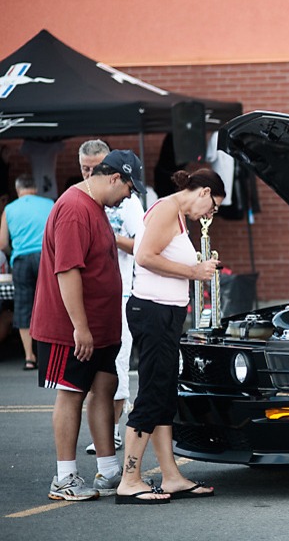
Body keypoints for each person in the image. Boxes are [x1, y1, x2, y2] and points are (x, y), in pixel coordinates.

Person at [30, 150, 144, 501]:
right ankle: (64, 477)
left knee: (105, 386)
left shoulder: (93, 206)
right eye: (128, 188)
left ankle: (109, 471)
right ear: (113, 178)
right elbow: (67, 270)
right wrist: (80, 326)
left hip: (99, 325)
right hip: (73, 328)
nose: (128, 196)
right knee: (72, 393)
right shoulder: (75, 209)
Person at [115, 168, 223, 504]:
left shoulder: (176, 214)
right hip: (153, 312)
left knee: (163, 394)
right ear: (203, 192)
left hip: (164, 314)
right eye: (213, 207)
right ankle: (130, 479)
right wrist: (194, 271)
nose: (210, 215)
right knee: (152, 393)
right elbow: (145, 256)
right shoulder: (166, 209)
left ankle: (171, 476)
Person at [78, 140, 145, 455]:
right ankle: (107, 430)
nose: (90, 173)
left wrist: (108, 235)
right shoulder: (80, 200)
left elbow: (142, 245)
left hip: (123, 292)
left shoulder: (127, 200)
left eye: (95, 168)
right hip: (91, 294)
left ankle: (113, 432)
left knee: (117, 364)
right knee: (92, 371)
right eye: (84, 168)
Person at [0, 174, 55, 370]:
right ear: (35, 189)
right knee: (49, 304)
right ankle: (47, 356)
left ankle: (29, 357)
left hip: (21, 260)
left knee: (23, 306)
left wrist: (14, 251)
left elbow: (2, 243)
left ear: (18, 189)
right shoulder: (49, 203)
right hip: (46, 258)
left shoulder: (9, 209)